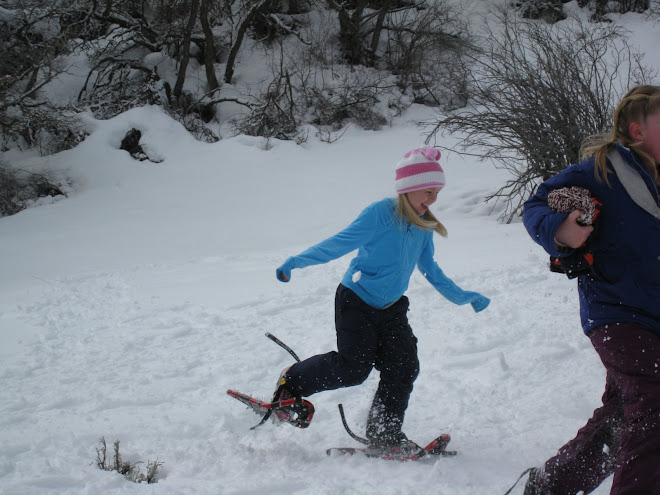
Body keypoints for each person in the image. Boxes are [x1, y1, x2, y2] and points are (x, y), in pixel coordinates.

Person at [273, 147, 490, 449]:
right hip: (356, 302)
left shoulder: (423, 225)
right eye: (428, 191)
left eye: (437, 193)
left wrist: (464, 297)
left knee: (404, 365)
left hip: (391, 309)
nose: (433, 200)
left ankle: (384, 432)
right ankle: (291, 382)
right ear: (410, 189)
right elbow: (338, 243)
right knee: (354, 368)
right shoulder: (379, 214)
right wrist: (295, 262)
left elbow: (431, 270)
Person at [516, 85, 660, 495]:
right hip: (616, 311)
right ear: (636, 130)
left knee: (625, 412)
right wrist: (562, 231)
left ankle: (549, 485)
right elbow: (536, 205)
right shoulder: (600, 171)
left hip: (654, 315)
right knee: (654, 402)